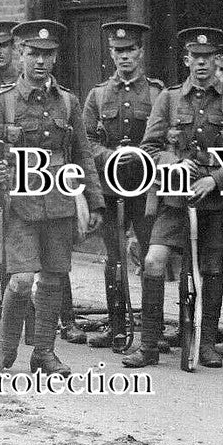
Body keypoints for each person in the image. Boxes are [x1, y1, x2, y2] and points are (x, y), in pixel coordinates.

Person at [0, 20, 104, 375]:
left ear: (56, 58)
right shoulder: (3, 103)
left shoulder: (69, 102)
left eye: (47, 54)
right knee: (22, 279)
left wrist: (94, 201)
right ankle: (5, 343)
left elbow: (83, 154)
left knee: (54, 277)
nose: (40, 62)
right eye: (33, 54)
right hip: (19, 205)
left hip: (60, 201)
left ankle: (44, 352)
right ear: (20, 54)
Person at [126, 27, 223, 368]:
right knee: (153, 260)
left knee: (211, 270)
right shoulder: (167, 99)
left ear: (215, 61)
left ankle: (206, 344)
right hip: (174, 202)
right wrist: (174, 162)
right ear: (187, 60)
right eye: (195, 58)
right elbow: (148, 148)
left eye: (207, 58)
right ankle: (149, 345)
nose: (201, 64)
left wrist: (215, 178)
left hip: (213, 204)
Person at [80, 21, 163, 350]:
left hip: (146, 192)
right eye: (118, 51)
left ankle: (152, 332)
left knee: (149, 258)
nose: (124, 56)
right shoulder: (98, 95)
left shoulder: (157, 93)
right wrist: (111, 155)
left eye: (130, 50)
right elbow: (84, 142)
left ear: (140, 52)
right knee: (114, 259)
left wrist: (142, 156)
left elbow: (163, 136)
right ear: (111, 54)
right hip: (110, 190)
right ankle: (116, 327)